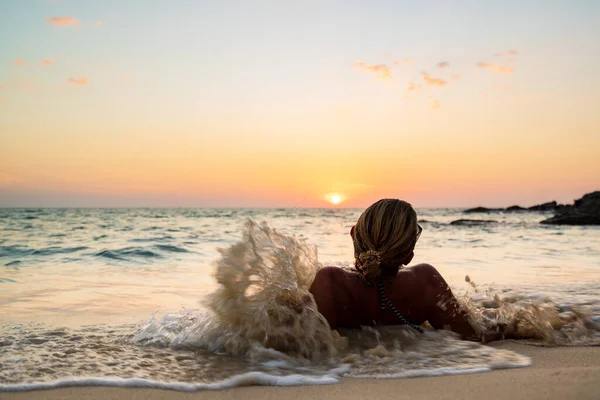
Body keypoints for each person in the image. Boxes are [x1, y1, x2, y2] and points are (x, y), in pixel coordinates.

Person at [309, 199, 505, 342]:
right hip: (416, 360)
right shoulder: (426, 282)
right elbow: (471, 337)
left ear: (353, 235)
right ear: (409, 255)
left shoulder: (331, 282)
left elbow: (308, 345)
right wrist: (510, 326)